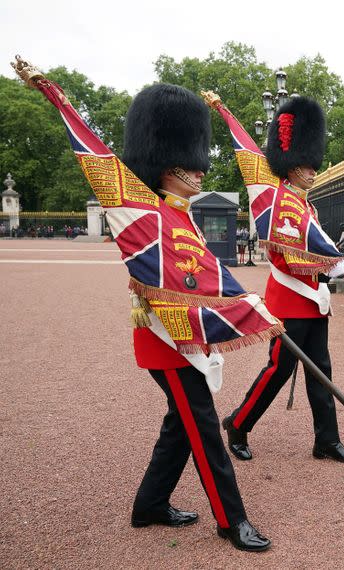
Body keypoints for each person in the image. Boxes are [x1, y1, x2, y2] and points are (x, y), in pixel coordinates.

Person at [18, 62, 276, 553]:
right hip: (164, 337)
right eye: (191, 160)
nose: (199, 169)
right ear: (165, 160)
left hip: (186, 333)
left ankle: (150, 504)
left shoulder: (183, 216)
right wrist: (56, 96)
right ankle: (231, 518)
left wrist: (249, 304)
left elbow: (206, 276)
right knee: (202, 425)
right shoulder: (140, 212)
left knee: (181, 423)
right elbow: (97, 157)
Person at [210, 95, 344, 465]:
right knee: (279, 370)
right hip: (289, 303)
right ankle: (238, 423)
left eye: (313, 164)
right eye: (307, 165)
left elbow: (315, 245)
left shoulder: (304, 204)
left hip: (312, 302)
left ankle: (326, 440)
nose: (313, 171)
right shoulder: (281, 204)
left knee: (321, 372)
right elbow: (291, 252)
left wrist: (335, 267)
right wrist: (336, 264)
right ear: (291, 165)